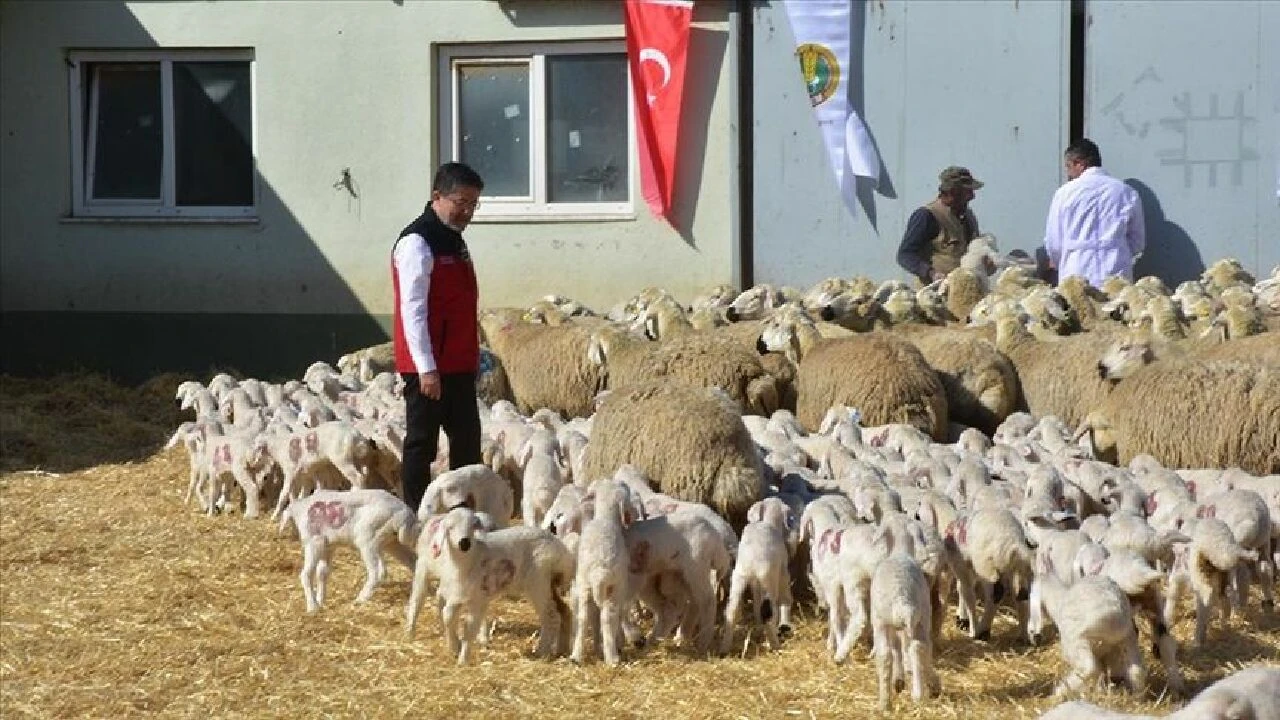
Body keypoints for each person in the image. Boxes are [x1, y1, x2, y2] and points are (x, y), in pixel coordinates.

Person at [392, 162, 485, 513]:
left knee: (467, 445)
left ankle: (463, 519)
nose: (467, 212)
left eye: (473, 205)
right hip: (428, 366)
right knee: (422, 443)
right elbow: (412, 311)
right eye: (461, 202)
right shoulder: (418, 242)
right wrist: (426, 368)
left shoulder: (454, 241)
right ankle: (417, 516)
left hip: (458, 362)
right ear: (437, 197)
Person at [1042, 138, 1145, 288]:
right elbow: (1137, 240)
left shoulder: (1064, 193)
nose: (1068, 173)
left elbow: (1054, 242)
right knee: (1116, 310)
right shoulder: (1126, 192)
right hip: (1116, 271)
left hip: (1076, 270)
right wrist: (1117, 250)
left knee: (1080, 309)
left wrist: (1061, 261)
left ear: (1079, 163)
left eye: (1068, 166)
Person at [896, 166, 984, 284]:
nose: (973, 196)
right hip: (934, 293)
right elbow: (905, 254)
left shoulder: (968, 216)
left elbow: (972, 250)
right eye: (968, 192)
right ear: (952, 192)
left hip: (963, 289)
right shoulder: (926, 215)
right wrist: (930, 273)